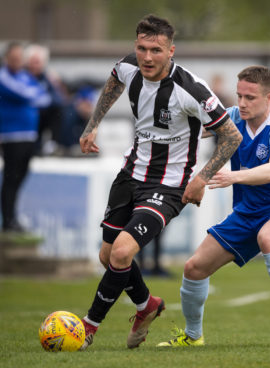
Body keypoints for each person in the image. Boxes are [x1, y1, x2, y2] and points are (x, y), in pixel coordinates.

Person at [78, 14, 242, 350]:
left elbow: (231, 135)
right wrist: (93, 124)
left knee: (122, 252)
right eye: (142, 48)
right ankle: (146, 306)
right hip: (130, 173)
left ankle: (87, 327)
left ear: (171, 51)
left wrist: (201, 178)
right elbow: (113, 83)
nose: (147, 57)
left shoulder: (191, 90)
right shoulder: (128, 67)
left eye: (156, 50)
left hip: (169, 187)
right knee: (107, 256)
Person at [158, 65, 270, 348]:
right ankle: (193, 336)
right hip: (247, 212)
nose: (241, 103)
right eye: (239, 95)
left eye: (250, 97)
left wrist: (231, 176)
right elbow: (188, 133)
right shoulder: (231, 117)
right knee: (193, 268)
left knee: (269, 238)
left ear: (269, 98)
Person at [0, 42, 50, 232]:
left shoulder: (24, 76)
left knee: (20, 178)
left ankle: (13, 218)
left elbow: (44, 97)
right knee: (10, 179)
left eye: (19, 58)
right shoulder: (1, 77)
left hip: (29, 134)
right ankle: (6, 221)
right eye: (14, 58)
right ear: (6, 58)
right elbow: (25, 94)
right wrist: (32, 96)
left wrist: (33, 96)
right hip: (11, 135)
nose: (17, 61)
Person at [25, 44, 64, 155]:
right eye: (33, 62)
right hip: (28, 114)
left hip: (42, 114)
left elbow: (57, 99)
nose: (36, 66)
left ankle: (52, 144)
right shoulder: (23, 76)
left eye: (38, 62)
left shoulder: (46, 78)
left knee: (58, 111)